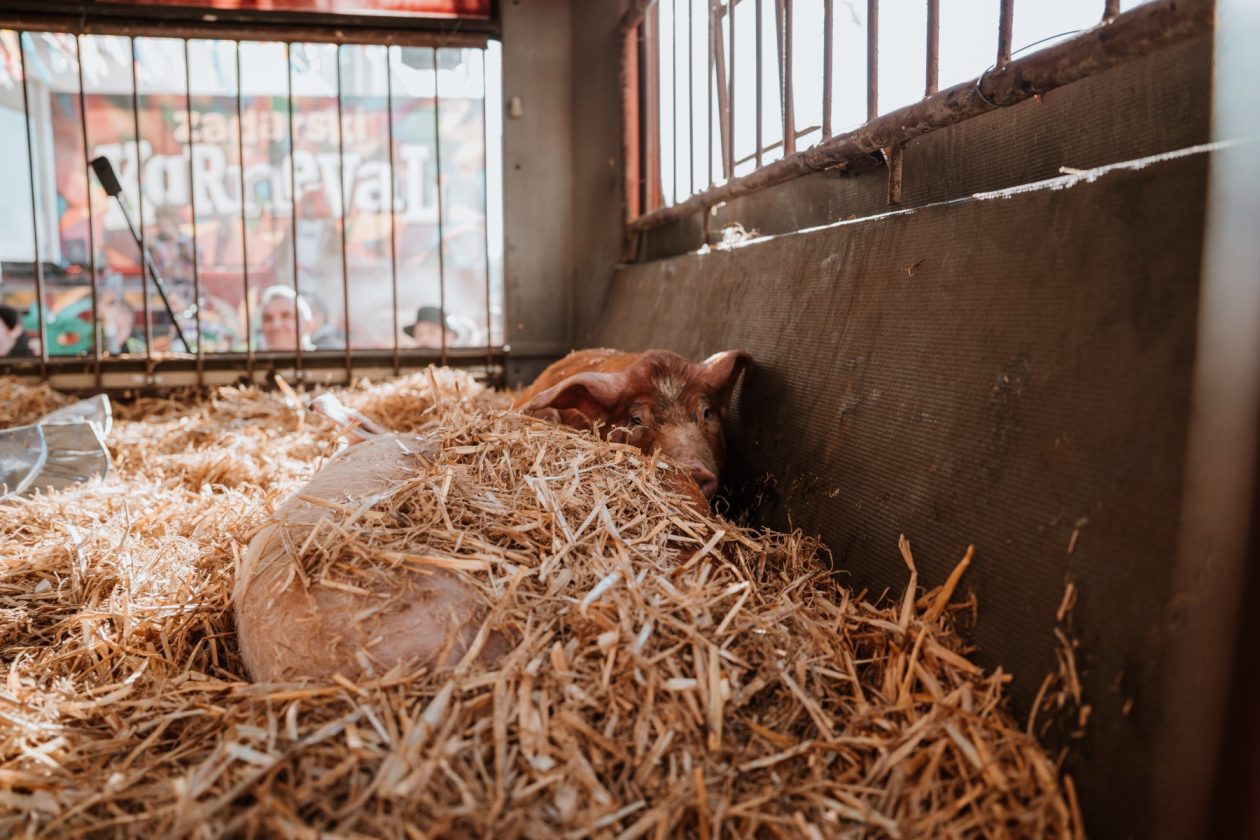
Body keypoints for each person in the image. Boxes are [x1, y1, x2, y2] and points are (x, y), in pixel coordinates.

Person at [258, 285, 316, 352]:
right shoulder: (253, 361)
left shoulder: (325, 361)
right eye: (268, 319)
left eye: (286, 316)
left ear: (308, 325)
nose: (276, 326)